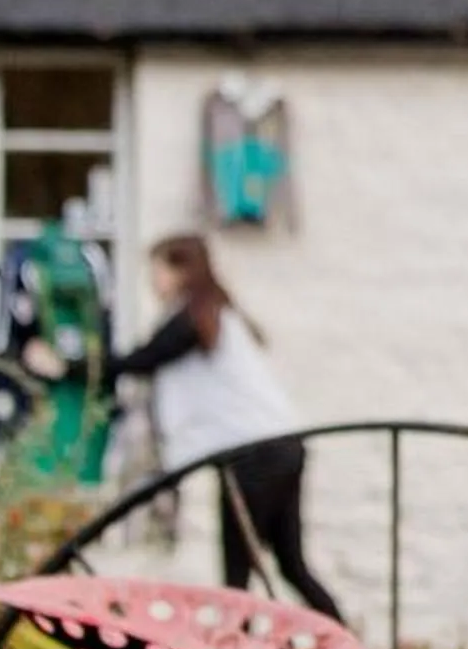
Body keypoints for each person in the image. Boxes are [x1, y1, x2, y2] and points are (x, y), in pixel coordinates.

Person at [99, 233, 343, 621]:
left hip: (256, 452)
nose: (152, 282)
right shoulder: (215, 314)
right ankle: (343, 639)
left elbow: (143, 360)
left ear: (181, 271)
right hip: (281, 444)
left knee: (238, 574)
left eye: (157, 271)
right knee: (289, 564)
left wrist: (76, 365)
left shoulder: (193, 318)